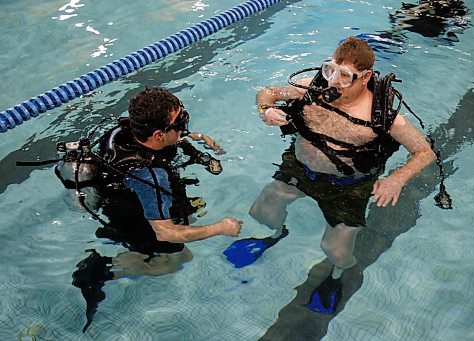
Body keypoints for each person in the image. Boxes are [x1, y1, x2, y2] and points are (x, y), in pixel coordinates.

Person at [225, 36, 436, 313]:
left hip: (349, 185)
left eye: (345, 76)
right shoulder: (310, 89)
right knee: (261, 212)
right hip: (299, 169)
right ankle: (276, 234)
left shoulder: (382, 116)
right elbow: (266, 92)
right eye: (329, 71)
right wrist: (265, 110)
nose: (333, 82)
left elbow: (425, 152)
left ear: (365, 77)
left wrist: (396, 178)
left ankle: (336, 277)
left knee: (335, 250)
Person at [60, 87, 242, 331]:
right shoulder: (149, 176)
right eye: (180, 122)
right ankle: (101, 270)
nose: (185, 124)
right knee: (177, 260)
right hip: (135, 220)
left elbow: (170, 138)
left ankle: (114, 242)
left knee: (188, 216)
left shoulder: (124, 130)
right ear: (158, 135)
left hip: (120, 200)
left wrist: (196, 137)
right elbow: (166, 233)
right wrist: (221, 227)